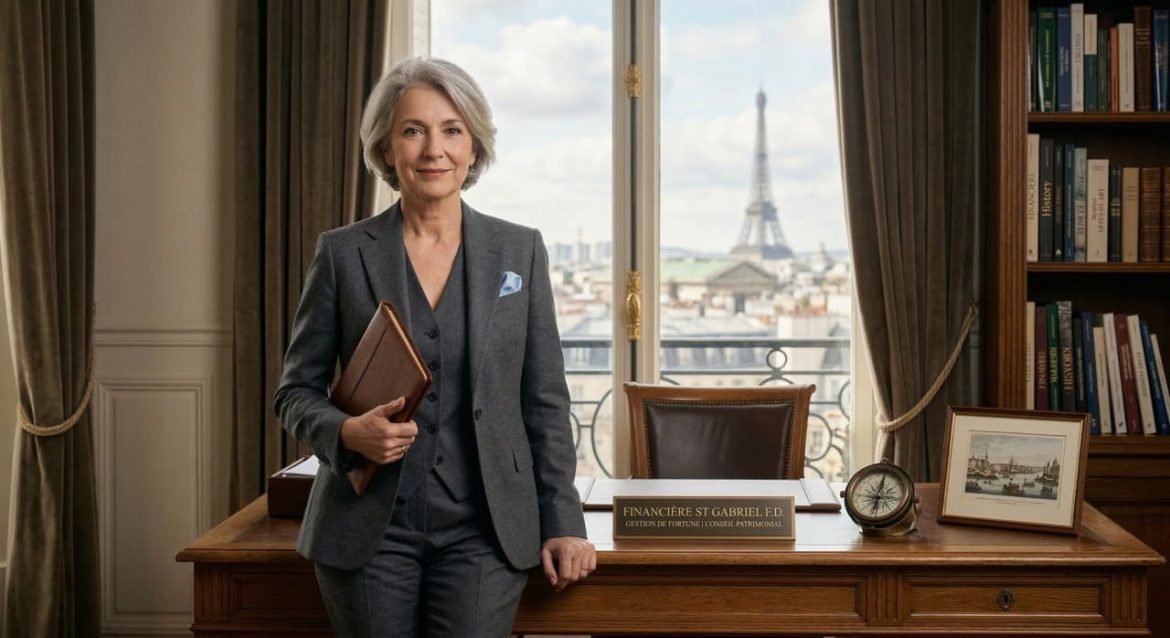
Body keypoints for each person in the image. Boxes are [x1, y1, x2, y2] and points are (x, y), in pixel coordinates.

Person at [274, 56, 595, 637]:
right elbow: (295, 391)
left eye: (452, 130)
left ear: (474, 148)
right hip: (367, 530)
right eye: (413, 130)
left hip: (485, 531)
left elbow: (544, 400)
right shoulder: (344, 254)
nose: (433, 150)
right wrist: (347, 432)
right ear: (386, 149)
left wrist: (564, 520)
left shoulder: (519, 251)